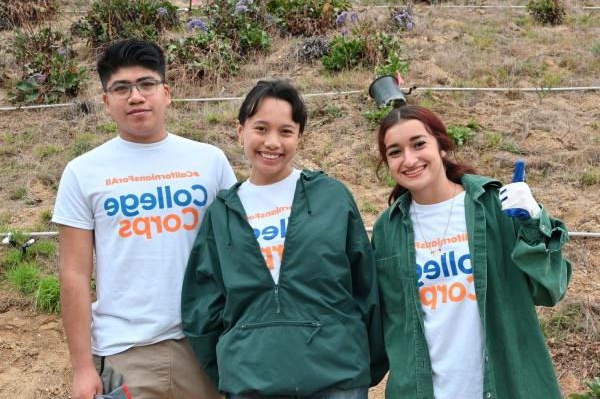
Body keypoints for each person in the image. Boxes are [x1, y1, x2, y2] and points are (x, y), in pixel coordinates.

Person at [52, 38, 236, 399]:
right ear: (106, 102)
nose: (135, 96)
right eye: (121, 88)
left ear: (166, 93)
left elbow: (237, 250)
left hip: (205, 344)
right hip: (125, 353)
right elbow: (73, 272)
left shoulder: (209, 161)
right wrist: (82, 368)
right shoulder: (82, 172)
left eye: (146, 84)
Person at [181, 79, 388, 398]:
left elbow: (367, 287)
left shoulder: (330, 198)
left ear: (299, 137)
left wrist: (361, 363)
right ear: (240, 131)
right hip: (251, 381)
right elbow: (202, 307)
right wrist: (233, 364)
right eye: (261, 129)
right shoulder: (221, 213)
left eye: (285, 131)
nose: (272, 142)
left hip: (337, 378)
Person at [371, 105, 572, 399]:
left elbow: (551, 288)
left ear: (441, 146)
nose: (409, 159)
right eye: (395, 152)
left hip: (505, 385)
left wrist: (533, 221)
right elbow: (388, 320)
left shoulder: (495, 205)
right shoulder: (387, 229)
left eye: (418, 144)